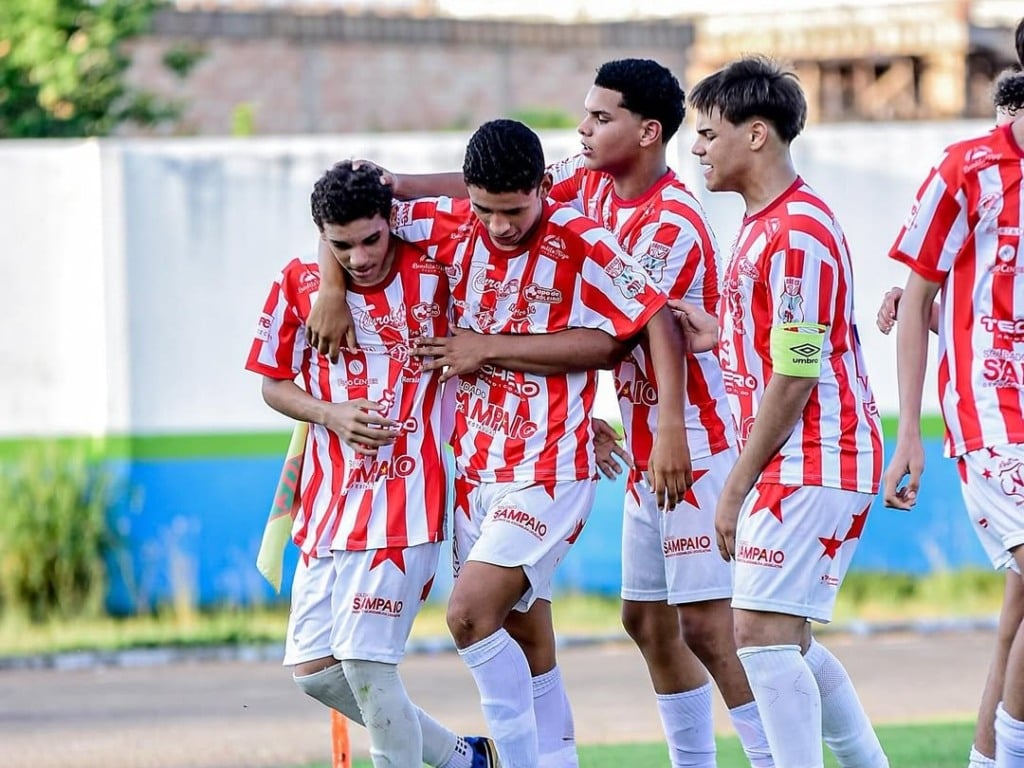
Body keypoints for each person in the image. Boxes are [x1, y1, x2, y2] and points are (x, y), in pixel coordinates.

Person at [311, 119, 691, 768]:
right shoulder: (449, 223)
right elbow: (344, 203)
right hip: (477, 470)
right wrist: (331, 285)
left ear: (542, 187)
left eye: (513, 211)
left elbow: (647, 322)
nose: (499, 226)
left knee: (468, 615)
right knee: (526, 636)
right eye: (484, 209)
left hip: (549, 471)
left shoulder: (579, 239)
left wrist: (671, 431)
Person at [544, 58, 772, 768]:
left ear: (647, 132)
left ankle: (779, 757)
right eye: (584, 115)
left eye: (600, 117)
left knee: (708, 625)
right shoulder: (587, 184)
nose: (583, 129)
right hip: (650, 447)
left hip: (694, 444)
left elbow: (631, 333)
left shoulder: (671, 217)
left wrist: (668, 432)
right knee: (646, 619)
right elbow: (495, 187)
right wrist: (384, 191)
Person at [244, 161, 498, 768]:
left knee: (364, 663)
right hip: (328, 510)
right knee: (314, 670)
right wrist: (331, 414)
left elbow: (501, 197)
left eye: (370, 239)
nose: (359, 258)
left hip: (406, 510)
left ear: (391, 220)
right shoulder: (299, 283)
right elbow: (273, 384)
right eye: (341, 247)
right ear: (321, 238)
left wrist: (406, 184)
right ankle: (465, 759)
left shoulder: (437, 265)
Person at [677, 56, 888, 768]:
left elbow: (796, 375)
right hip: (798, 458)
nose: (697, 148)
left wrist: (734, 485)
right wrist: (711, 327)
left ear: (757, 134)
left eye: (707, 132)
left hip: (813, 456)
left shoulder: (794, 231)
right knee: (783, 641)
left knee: (761, 638)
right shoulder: (768, 224)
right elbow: (779, 342)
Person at [883, 55, 1024, 767]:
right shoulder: (966, 169)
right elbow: (916, 295)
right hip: (992, 413)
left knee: (1016, 617)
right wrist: (909, 432)